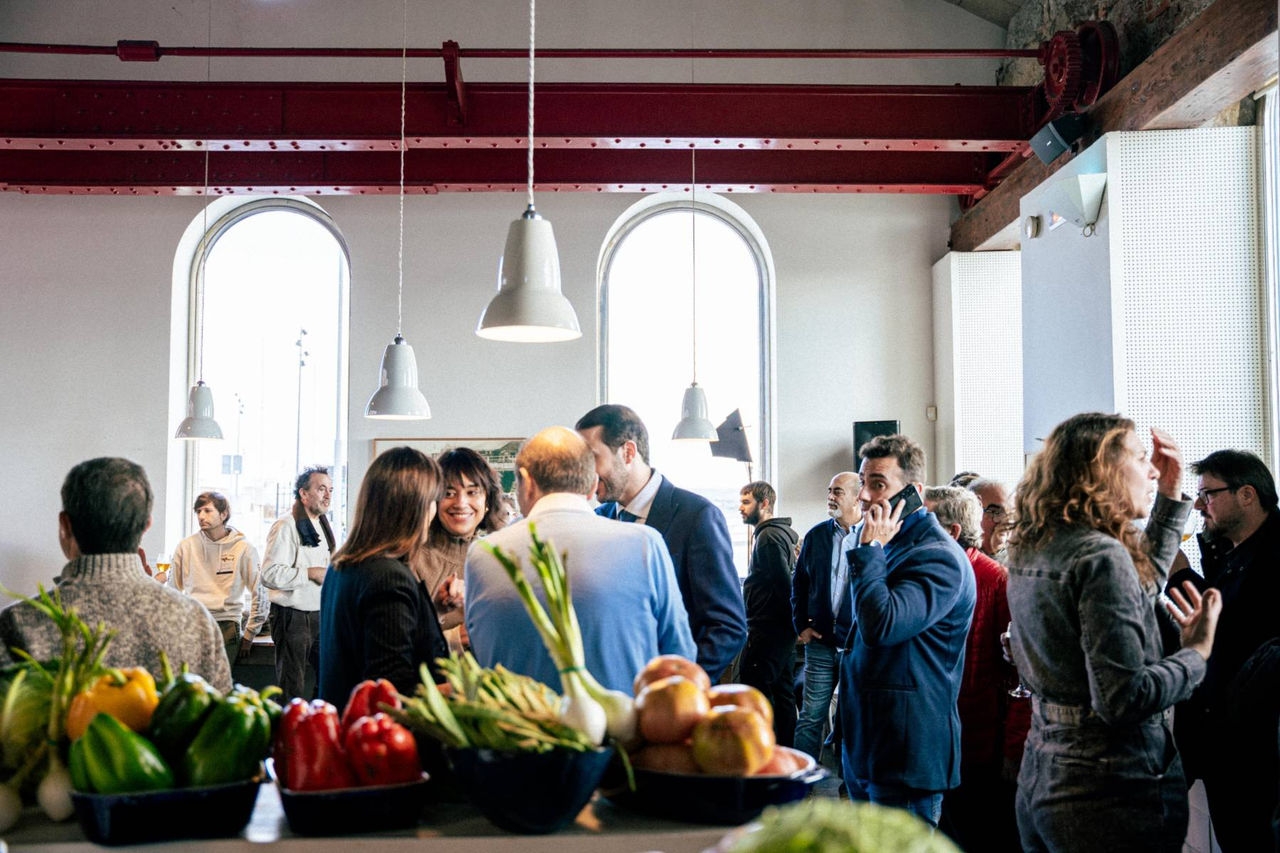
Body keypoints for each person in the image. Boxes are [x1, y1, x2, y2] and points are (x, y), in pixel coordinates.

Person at [1005, 413, 1221, 853]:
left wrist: (1169, 497)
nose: (1153, 469)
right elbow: (1123, 698)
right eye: (1142, 458)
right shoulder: (1101, 555)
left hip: (1045, 770)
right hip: (1108, 791)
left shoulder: (1037, 544)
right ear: (1101, 471)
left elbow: (1139, 587)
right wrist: (1195, 654)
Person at [465, 426, 695, 694]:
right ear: (592, 485)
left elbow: (480, 653)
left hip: (517, 731)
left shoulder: (484, 553)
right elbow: (681, 658)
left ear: (526, 482)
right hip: (626, 731)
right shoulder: (645, 544)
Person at [837, 434, 975, 828]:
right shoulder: (892, 544)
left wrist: (869, 553)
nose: (863, 496)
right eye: (863, 482)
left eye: (878, 484)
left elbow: (882, 625)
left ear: (913, 492)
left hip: (906, 753)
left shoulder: (937, 556)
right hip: (869, 745)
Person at [0, 458, 231, 692]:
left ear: (65, 525)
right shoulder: (195, 620)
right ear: (146, 525)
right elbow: (227, 721)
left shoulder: (18, 624)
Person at [575, 404, 746, 682]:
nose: (584, 473)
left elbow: (727, 626)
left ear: (628, 452)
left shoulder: (697, 517)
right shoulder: (597, 519)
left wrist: (680, 688)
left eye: (591, 458)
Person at [1165, 449, 1280, 851]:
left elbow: (1227, 631)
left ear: (1247, 495)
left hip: (1255, 749)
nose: (1199, 505)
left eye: (1208, 494)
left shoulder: (1272, 557)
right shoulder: (1233, 551)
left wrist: (1178, 574)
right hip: (1226, 744)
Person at [925, 486, 1020, 853]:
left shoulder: (995, 579)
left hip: (977, 741)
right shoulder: (931, 572)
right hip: (937, 735)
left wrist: (1012, 745)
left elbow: (1015, 673)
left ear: (952, 532)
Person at [318, 447, 448, 705]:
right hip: (383, 740)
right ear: (415, 507)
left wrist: (432, 611)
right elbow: (392, 691)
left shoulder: (342, 566)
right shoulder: (388, 577)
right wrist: (470, 690)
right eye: (433, 501)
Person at [791, 471, 860, 763]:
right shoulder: (817, 535)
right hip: (819, 642)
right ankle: (800, 785)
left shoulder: (873, 536)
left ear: (859, 496)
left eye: (838, 491)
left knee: (851, 721)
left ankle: (849, 792)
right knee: (811, 717)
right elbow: (799, 583)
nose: (830, 497)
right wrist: (801, 626)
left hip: (856, 646)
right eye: (829, 490)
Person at [411, 448, 506, 652]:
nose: (461, 503)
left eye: (472, 492)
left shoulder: (500, 556)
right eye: (449, 493)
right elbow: (399, 641)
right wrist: (454, 639)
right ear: (433, 500)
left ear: (487, 501)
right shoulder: (412, 559)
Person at [168, 491, 269, 669]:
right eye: (198, 511)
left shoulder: (243, 548)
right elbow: (172, 591)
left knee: (219, 687)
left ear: (223, 515)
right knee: (191, 686)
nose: (201, 516)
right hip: (193, 623)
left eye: (207, 511)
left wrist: (250, 632)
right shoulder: (186, 546)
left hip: (227, 624)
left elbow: (260, 592)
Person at [262, 466, 336, 701]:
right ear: (303, 494)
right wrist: (310, 573)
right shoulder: (286, 525)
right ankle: (289, 736)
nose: (328, 495)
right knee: (292, 687)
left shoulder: (323, 524)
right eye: (321, 488)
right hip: (292, 617)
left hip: (319, 614)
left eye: (331, 490)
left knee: (330, 677)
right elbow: (269, 574)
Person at [737, 480, 799, 748]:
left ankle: (765, 753)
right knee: (782, 692)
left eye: (746, 502)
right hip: (781, 630)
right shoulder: (779, 533)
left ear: (764, 504)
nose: (740, 508)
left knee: (756, 690)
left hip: (770, 629)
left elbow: (782, 585)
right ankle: (784, 753)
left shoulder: (768, 537)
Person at [967, 477, 1011, 560]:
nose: (1006, 521)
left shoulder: (1019, 561)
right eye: (996, 512)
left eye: (1009, 513)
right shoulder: (962, 558)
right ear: (972, 513)